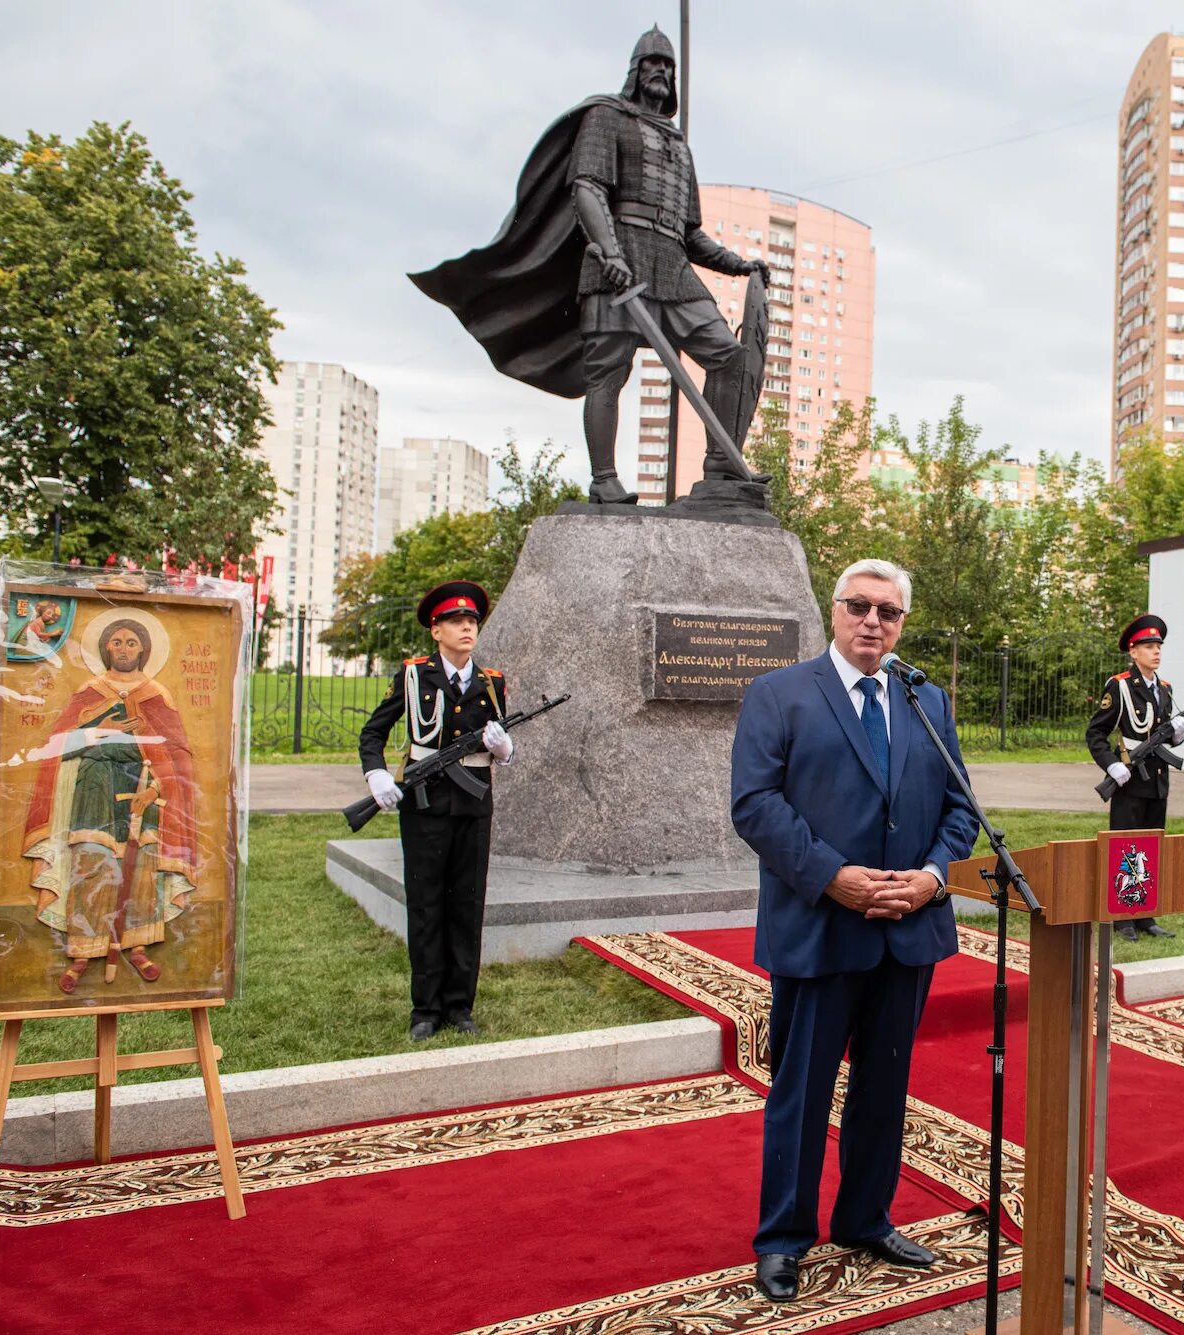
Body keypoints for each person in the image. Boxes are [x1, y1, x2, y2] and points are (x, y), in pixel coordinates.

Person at [729, 558, 978, 1303]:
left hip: (908, 930)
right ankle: (782, 1239)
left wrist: (934, 875)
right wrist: (833, 875)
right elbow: (755, 804)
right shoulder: (779, 694)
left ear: (902, 622)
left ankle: (866, 1217)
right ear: (833, 611)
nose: (873, 621)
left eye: (889, 611)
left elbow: (962, 806)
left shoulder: (926, 697)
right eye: (859, 606)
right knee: (801, 1091)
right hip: (817, 924)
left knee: (886, 1085)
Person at [410, 26, 769, 506]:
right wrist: (611, 252)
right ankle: (604, 480)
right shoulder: (606, 117)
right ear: (635, 70)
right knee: (609, 374)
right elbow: (588, 188)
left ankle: (721, 471)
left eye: (668, 65)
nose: (661, 71)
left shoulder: (680, 145)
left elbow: (690, 234)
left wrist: (739, 265)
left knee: (728, 355)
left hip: (672, 266)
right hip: (616, 264)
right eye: (652, 63)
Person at [359, 582, 514, 1042]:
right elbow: (373, 734)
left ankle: (460, 1006)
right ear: (436, 630)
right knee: (427, 905)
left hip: (473, 806)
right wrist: (377, 776)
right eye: (456, 622)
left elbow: (499, 744)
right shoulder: (412, 677)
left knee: (467, 905)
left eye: (472, 622)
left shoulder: (491, 682)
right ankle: (425, 1008)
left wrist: (505, 749)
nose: (467, 627)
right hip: (424, 806)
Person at [21, 618, 199, 995]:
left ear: (143, 650)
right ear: (105, 649)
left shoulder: (156, 695)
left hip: (140, 788)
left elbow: (175, 755)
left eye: (131, 642)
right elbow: (60, 744)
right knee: (91, 861)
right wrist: (95, 728)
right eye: (116, 641)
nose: (123, 648)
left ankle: (135, 945)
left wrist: (154, 791)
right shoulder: (88, 692)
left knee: (141, 869)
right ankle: (84, 950)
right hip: (95, 786)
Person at [1086, 615, 1184, 940]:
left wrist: (1178, 735)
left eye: (1158, 646)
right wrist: (1112, 765)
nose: (1155, 651)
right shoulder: (1121, 686)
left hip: (1157, 781)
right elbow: (1096, 732)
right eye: (1148, 646)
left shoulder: (1165, 689)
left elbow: (1163, 734)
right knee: (1127, 847)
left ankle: (1146, 916)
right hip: (1129, 780)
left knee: (1151, 846)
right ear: (1133, 652)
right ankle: (1123, 918)